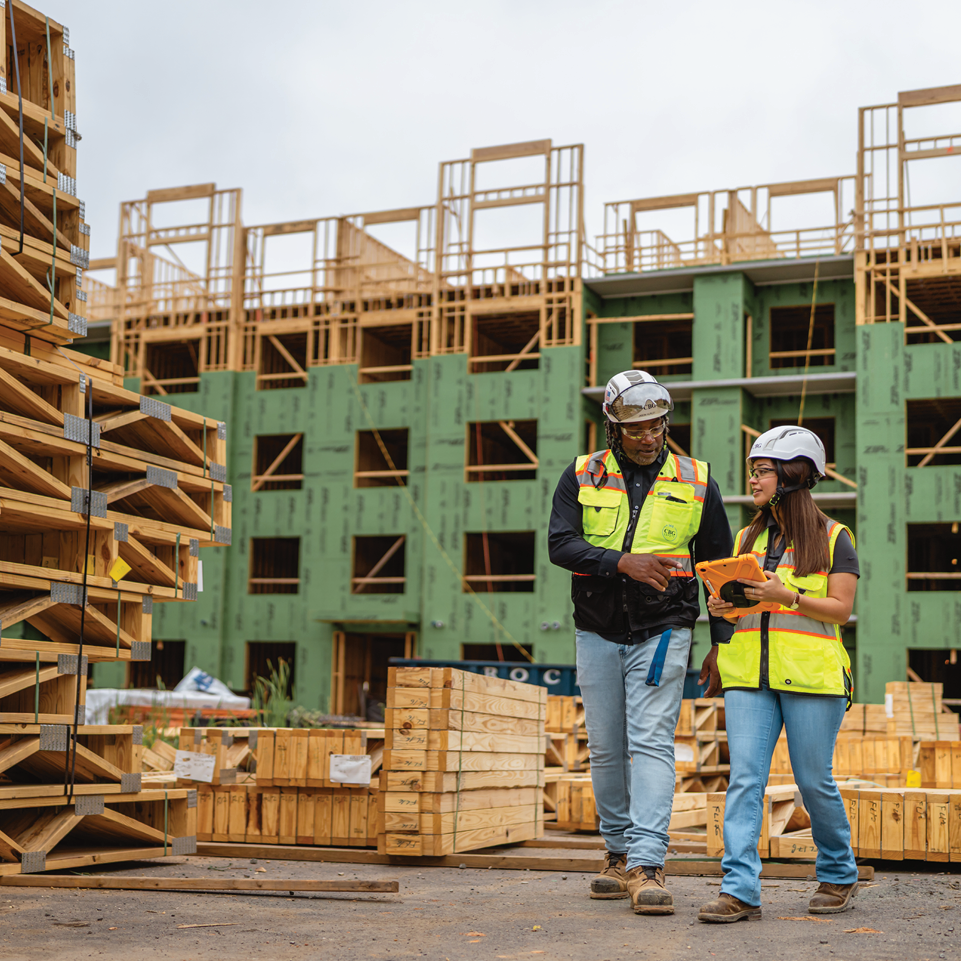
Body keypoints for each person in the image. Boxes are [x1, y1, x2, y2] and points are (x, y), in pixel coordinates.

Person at [549, 370, 734, 916]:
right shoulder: (581, 475)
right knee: (606, 746)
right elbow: (561, 544)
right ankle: (617, 854)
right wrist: (619, 562)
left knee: (651, 742)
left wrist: (720, 640)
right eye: (636, 429)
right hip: (597, 630)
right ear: (613, 428)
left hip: (664, 629)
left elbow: (717, 567)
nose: (649, 437)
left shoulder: (696, 480)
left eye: (656, 426)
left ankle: (648, 864)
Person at [697, 425, 860, 923]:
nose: (754, 480)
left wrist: (783, 594)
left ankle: (838, 873)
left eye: (762, 471)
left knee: (814, 782)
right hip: (749, 677)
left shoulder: (835, 537)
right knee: (745, 780)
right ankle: (739, 889)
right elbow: (740, 610)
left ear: (792, 476)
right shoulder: (748, 536)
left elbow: (841, 609)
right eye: (753, 471)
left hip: (812, 680)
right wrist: (722, 604)